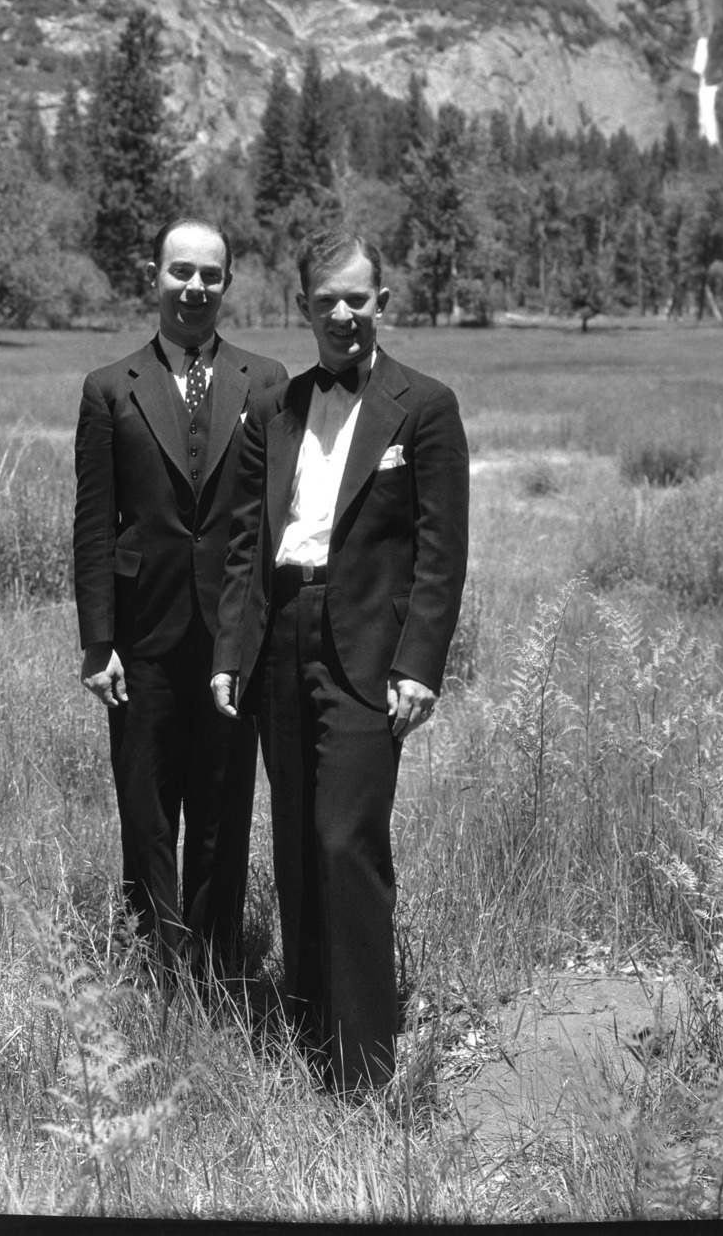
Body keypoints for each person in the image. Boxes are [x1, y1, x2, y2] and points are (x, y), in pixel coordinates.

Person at [211, 225, 469, 1094]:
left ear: (383, 302)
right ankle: (312, 1027)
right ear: (304, 310)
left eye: (358, 297)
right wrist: (232, 651)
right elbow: (250, 541)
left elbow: (440, 552)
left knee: (344, 837)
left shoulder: (423, 406)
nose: (344, 313)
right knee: (292, 841)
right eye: (327, 301)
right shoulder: (276, 405)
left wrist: (420, 664)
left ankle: (366, 1065)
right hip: (282, 631)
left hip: (365, 646)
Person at [73, 216, 287, 993]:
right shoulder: (109, 388)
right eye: (180, 271)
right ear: (153, 276)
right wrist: (99, 640)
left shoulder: (267, 384)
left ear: (228, 283)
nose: (194, 287)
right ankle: (155, 967)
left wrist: (261, 632)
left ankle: (217, 965)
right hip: (143, 635)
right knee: (147, 804)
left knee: (225, 808)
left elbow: (271, 521)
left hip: (235, 635)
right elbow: (94, 524)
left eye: (210, 274)